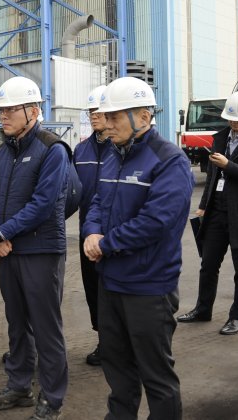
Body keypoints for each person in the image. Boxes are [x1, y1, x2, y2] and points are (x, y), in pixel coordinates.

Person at [83, 76, 193, 420]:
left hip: (148, 287)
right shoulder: (114, 155)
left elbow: (156, 221)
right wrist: (90, 233)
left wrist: (106, 244)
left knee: (156, 376)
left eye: (116, 117)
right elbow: (98, 202)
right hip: (111, 283)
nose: (107, 124)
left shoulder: (169, 160)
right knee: (117, 370)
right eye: (107, 116)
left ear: (143, 116)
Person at [0, 77, 69, 420]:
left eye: (9, 110)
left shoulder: (52, 149)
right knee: (16, 323)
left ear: (33, 111)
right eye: (0, 110)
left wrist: (1, 232)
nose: (2, 116)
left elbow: (43, 204)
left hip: (41, 251)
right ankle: (19, 386)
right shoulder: (4, 151)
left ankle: (52, 397)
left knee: (46, 328)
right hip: (8, 250)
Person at [178, 89, 238, 336]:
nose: (234, 124)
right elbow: (212, 178)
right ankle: (202, 309)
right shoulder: (221, 137)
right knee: (208, 264)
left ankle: (237, 317)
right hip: (217, 211)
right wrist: (204, 205)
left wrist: (229, 165)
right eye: (230, 119)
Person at [71, 85, 110, 365]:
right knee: (92, 287)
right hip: (88, 230)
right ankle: (103, 341)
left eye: (98, 111)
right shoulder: (81, 149)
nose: (94, 116)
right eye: (90, 111)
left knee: (115, 290)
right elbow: (72, 191)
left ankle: (120, 342)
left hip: (115, 232)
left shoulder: (122, 149)